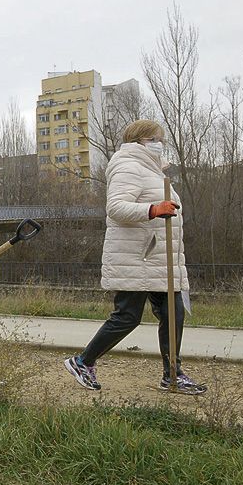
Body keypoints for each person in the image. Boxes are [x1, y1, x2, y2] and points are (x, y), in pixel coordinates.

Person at [66, 119, 205, 394]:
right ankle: (83, 361)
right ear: (140, 141)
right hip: (138, 258)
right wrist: (153, 210)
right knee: (127, 316)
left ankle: (172, 374)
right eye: (155, 139)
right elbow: (116, 207)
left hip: (158, 259)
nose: (160, 144)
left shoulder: (149, 169)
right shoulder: (128, 166)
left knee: (173, 312)